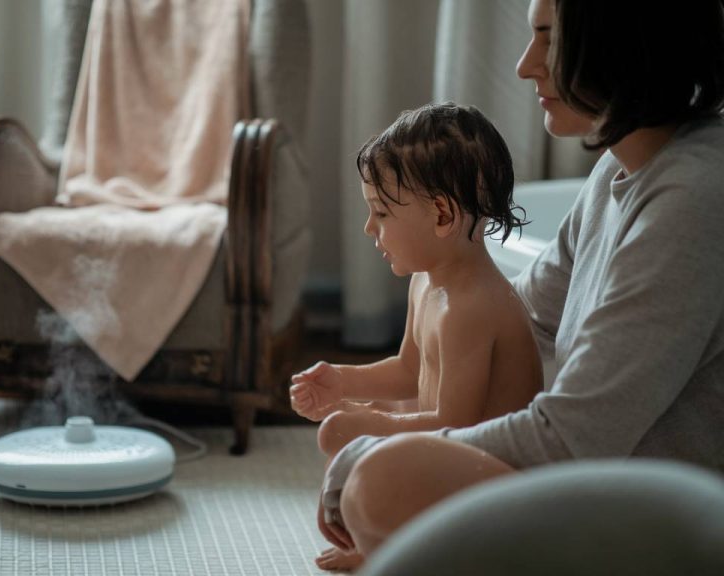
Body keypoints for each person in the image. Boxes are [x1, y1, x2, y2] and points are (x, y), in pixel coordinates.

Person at [315, 0, 724, 570]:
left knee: (383, 482)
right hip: (597, 476)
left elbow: (572, 436)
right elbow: (522, 315)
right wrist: (378, 399)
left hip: (657, 511)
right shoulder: (620, 168)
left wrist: (382, 444)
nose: (525, 66)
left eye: (547, 39)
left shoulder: (694, 199)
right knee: (388, 465)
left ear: (617, 41)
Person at [290, 102, 543, 571]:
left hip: (495, 482)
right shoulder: (426, 280)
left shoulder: (472, 307)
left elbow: (456, 424)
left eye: (381, 213)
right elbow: (410, 371)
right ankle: (377, 541)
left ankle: (397, 549)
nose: (370, 228)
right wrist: (345, 383)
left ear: (442, 215)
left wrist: (367, 426)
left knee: (359, 432)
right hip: (452, 453)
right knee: (370, 420)